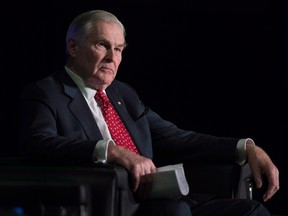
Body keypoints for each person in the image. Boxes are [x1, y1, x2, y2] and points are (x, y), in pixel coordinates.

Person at [18, 9, 279, 216]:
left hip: (163, 201)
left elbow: (177, 137)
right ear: (73, 47)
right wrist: (111, 150)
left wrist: (244, 147)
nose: (112, 57)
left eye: (118, 49)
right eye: (102, 45)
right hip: (117, 205)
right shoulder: (46, 93)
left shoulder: (123, 94)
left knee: (251, 210)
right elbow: (38, 143)